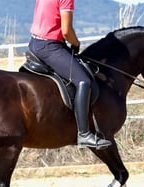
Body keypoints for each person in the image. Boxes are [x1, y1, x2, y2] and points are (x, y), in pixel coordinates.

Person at [28, 0, 112, 149]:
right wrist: (76, 43)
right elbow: (66, 31)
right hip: (50, 47)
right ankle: (84, 134)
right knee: (83, 81)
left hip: (35, 43)